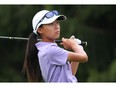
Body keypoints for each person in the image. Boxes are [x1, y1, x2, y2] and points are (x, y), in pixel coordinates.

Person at [23, 10, 88, 82]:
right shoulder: (50, 50)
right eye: (50, 24)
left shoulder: (47, 49)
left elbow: (70, 75)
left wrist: (76, 47)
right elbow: (84, 58)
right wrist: (74, 46)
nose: (56, 26)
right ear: (40, 30)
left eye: (57, 23)